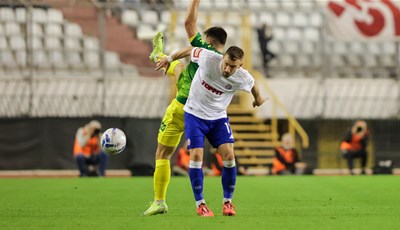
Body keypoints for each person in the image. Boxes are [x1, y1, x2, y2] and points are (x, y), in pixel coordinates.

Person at [157, 46, 266, 216]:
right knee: (196, 156)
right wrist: (169, 59)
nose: (228, 69)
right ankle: (200, 204)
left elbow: (253, 85)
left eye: (233, 67)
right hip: (194, 114)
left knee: (229, 156)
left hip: (218, 118)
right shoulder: (208, 58)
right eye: (227, 64)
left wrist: (258, 98)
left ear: (240, 65)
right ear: (223, 58)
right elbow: (189, 50)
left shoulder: (242, 77)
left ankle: (228, 203)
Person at [142, 0, 228, 216]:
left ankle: (159, 201)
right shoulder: (228, 64)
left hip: (183, 108)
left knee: (163, 153)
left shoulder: (204, 49)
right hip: (210, 115)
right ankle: (159, 57)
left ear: (208, 40)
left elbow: (189, 21)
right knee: (182, 68)